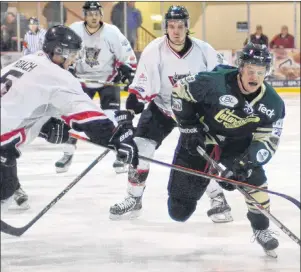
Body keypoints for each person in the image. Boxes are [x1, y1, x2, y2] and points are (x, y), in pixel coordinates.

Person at [109, 5, 233, 223]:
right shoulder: (154, 50)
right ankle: (134, 198)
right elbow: (141, 88)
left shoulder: (204, 50)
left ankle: (218, 198)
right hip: (163, 108)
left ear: (187, 28)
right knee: (141, 147)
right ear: (166, 27)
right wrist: (128, 113)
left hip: (195, 114)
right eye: (171, 26)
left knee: (200, 154)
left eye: (180, 26)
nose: (175, 31)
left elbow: (220, 85)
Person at [0, 25, 138, 213]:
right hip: (2, 142)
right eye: (72, 54)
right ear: (58, 51)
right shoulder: (58, 76)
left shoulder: (26, 61)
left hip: (4, 138)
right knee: (6, 192)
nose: (74, 60)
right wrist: (116, 137)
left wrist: (44, 127)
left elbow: (15, 102)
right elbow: (88, 116)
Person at [168, 42, 285, 257]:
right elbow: (179, 91)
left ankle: (261, 228)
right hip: (201, 137)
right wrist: (188, 127)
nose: (255, 77)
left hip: (236, 143)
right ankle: (209, 179)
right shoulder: (213, 82)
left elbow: (268, 142)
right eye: (250, 70)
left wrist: (244, 163)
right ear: (240, 67)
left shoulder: (273, 103)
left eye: (260, 72)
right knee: (179, 211)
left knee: (255, 179)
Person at [54, 1, 137, 174]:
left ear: (101, 14)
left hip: (108, 80)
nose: (93, 17)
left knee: (113, 118)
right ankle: (67, 153)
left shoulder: (112, 32)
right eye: (90, 13)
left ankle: (120, 154)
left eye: (96, 13)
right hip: (82, 81)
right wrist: (66, 66)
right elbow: (65, 52)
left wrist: (127, 70)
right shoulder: (75, 30)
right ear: (85, 15)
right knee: (72, 116)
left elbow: (127, 54)